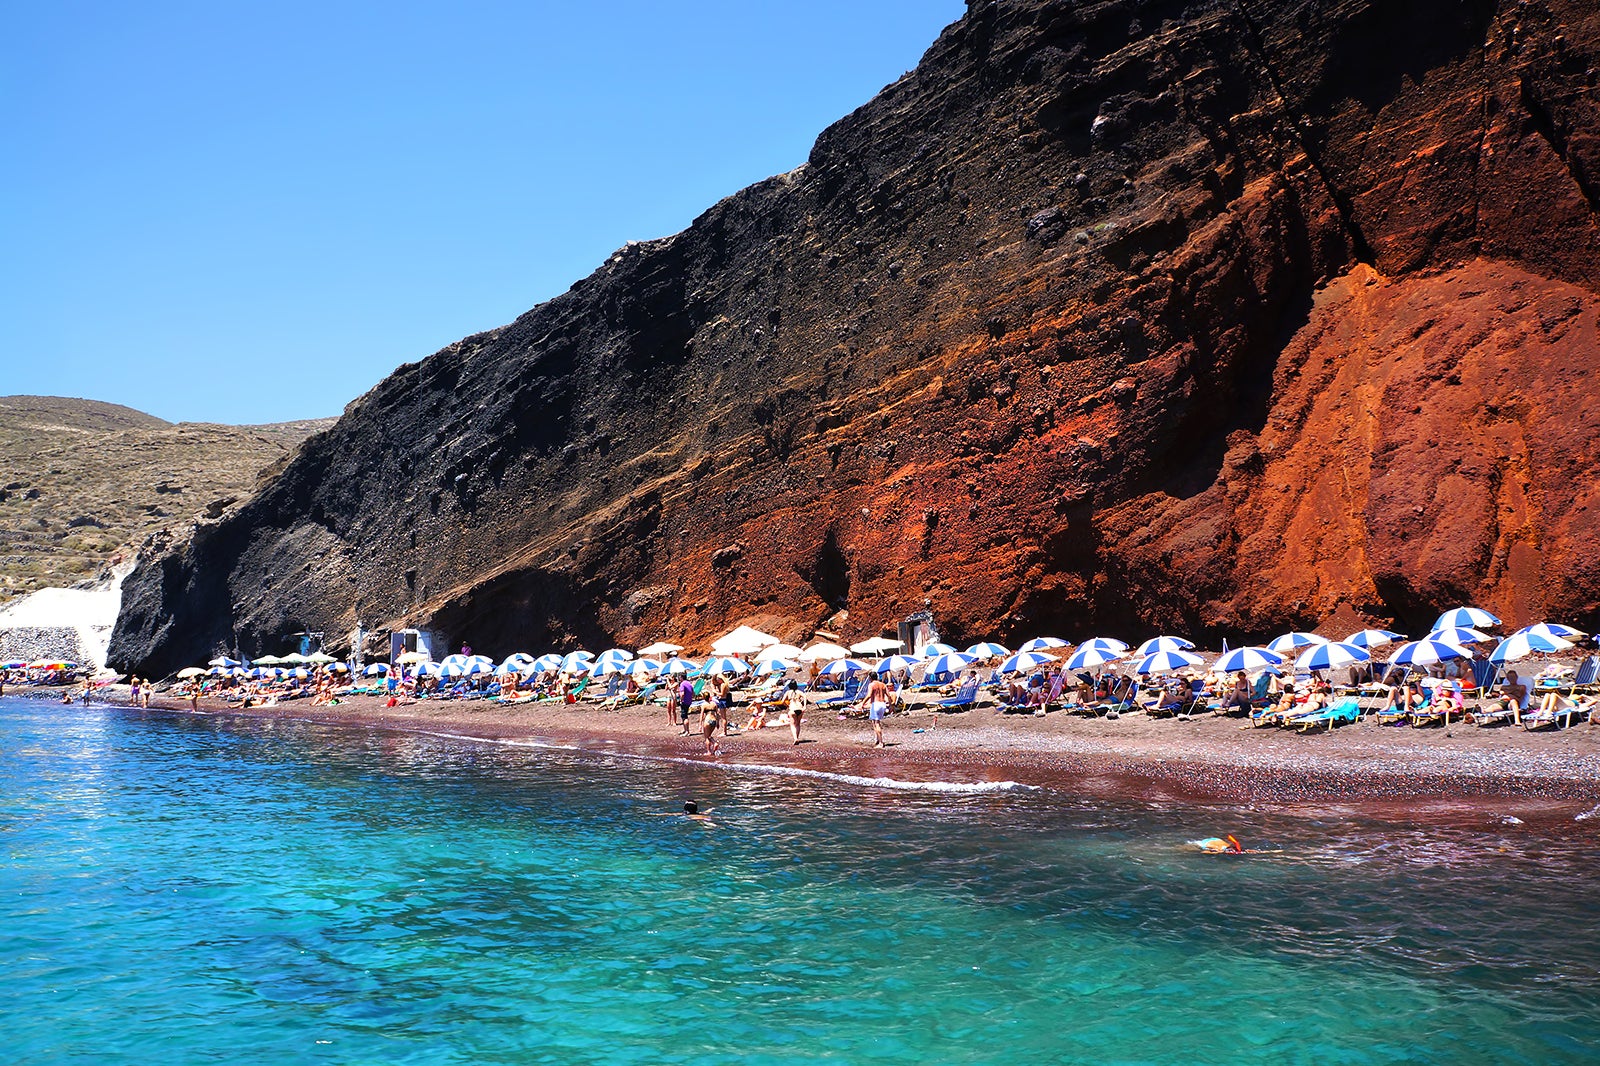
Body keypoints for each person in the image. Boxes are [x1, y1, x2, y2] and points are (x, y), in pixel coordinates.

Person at [861, 674, 892, 748]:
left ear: (870, 678)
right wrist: (890, 705)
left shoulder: (871, 685)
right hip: (882, 704)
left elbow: (869, 695)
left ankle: (881, 742)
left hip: (876, 704)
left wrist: (862, 703)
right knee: (874, 721)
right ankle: (877, 739)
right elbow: (889, 696)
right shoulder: (883, 684)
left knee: (877, 723)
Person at [785, 680, 805, 744]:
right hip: (800, 708)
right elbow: (805, 696)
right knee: (798, 724)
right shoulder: (799, 692)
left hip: (793, 709)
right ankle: (797, 738)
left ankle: (795, 738)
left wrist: (787, 705)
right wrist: (804, 706)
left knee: (792, 725)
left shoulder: (788, 692)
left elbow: (782, 701)